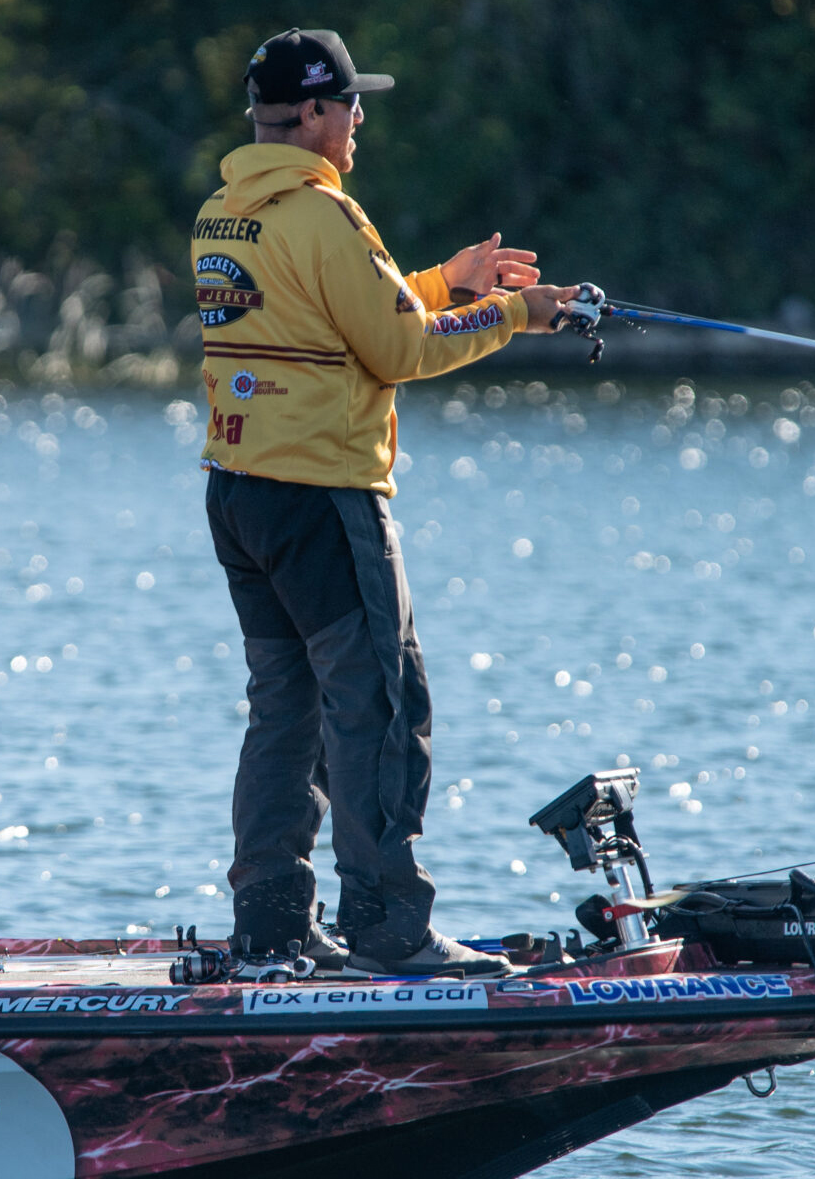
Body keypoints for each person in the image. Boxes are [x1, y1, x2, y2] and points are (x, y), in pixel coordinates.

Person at [193, 27, 585, 977]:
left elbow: (356, 319)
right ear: (318, 113)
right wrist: (516, 315)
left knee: (285, 710)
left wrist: (448, 283)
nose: (361, 120)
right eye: (352, 104)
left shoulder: (227, 214)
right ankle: (390, 929)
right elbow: (402, 352)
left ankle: (273, 927)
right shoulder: (326, 216)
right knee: (378, 706)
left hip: (241, 497)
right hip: (325, 498)